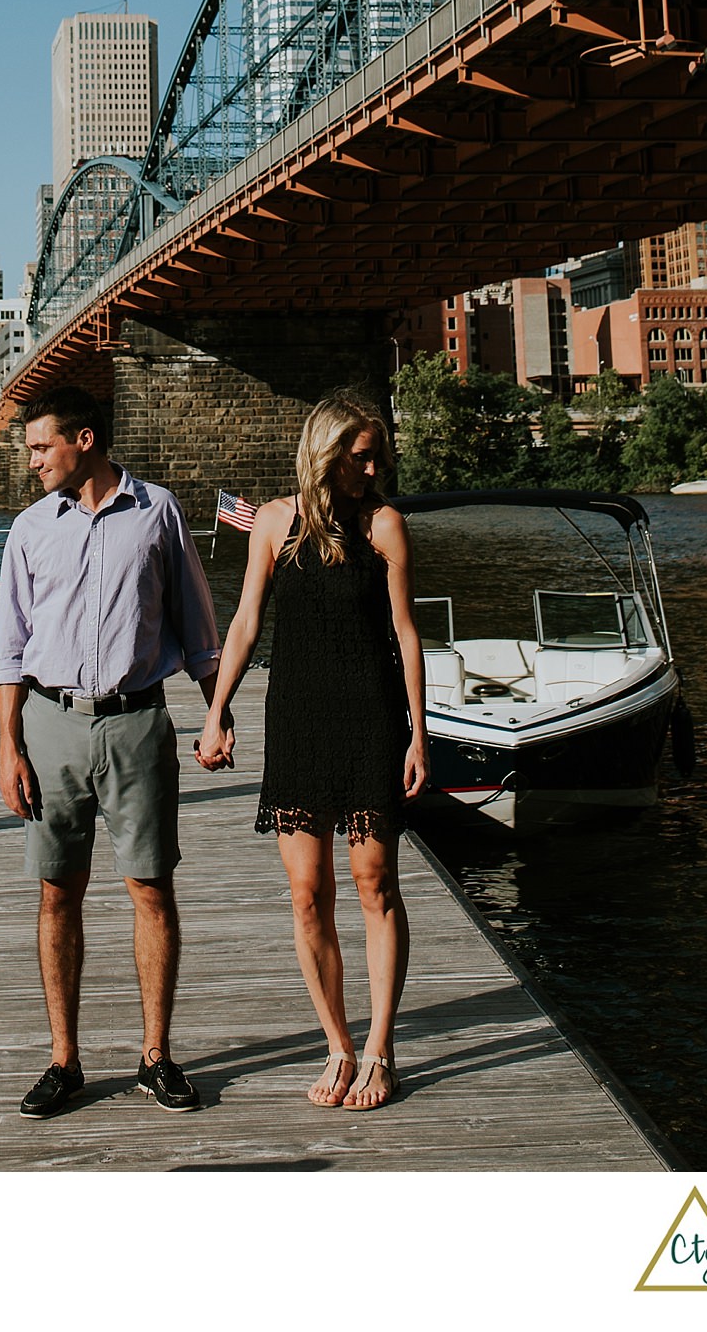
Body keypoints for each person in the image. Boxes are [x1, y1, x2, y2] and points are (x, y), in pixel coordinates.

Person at [0, 385, 225, 1119]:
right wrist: (9, 748)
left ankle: (157, 1055)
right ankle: (65, 1060)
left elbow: (199, 630)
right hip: (50, 724)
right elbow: (10, 647)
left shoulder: (158, 513)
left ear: (83, 440)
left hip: (137, 724)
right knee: (57, 890)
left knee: (150, 888)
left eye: (40, 447)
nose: (32, 461)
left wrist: (217, 716)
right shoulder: (29, 529)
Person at [195, 394, 427, 1110]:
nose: (373, 465)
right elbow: (245, 622)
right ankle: (338, 1044)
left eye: (376, 454)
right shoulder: (271, 521)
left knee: (374, 883)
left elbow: (406, 632)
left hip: (370, 719)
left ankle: (381, 1050)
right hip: (295, 717)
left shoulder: (384, 525)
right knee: (306, 897)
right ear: (325, 454)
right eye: (360, 454)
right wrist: (215, 709)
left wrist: (421, 731)